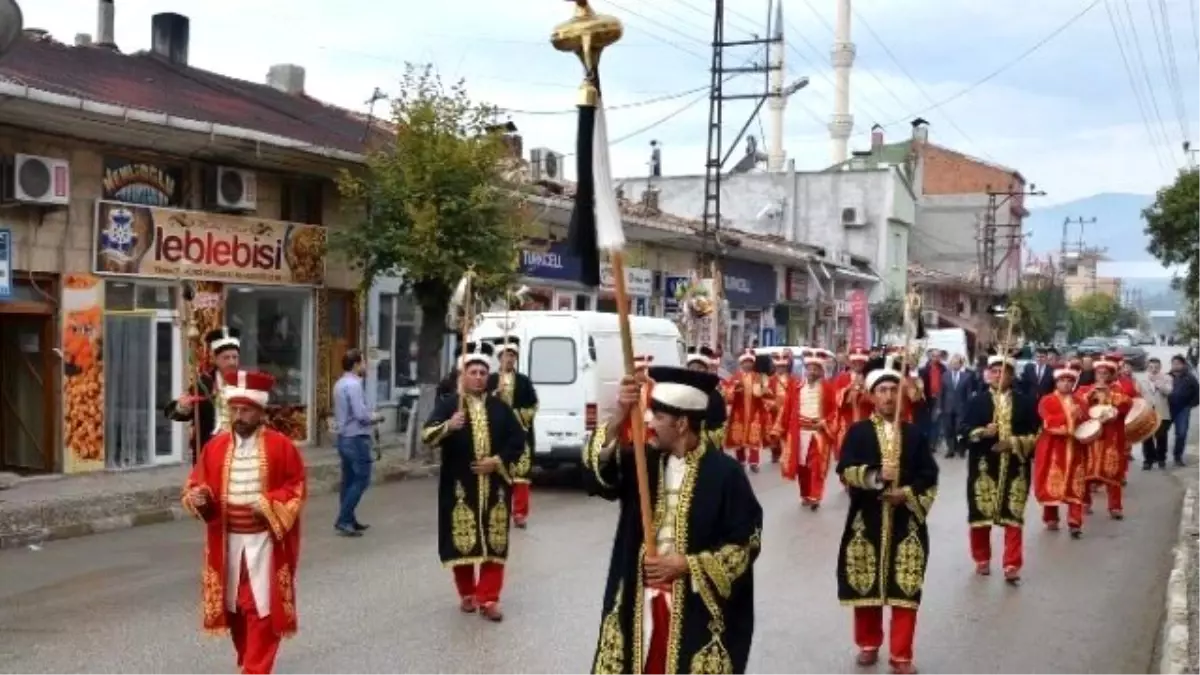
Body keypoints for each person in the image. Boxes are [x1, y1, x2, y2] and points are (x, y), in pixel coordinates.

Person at [581, 365, 763, 675]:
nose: (650, 425)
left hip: (695, 606)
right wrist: (620, 414)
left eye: (659, 418)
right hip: (639, 599)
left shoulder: (726, 475)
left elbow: (746, 544)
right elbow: (596, 474)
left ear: (681, 424)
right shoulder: (643, 461)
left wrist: (687, 565)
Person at [181, 370, 307, 675]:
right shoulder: (215, 447)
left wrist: (267, 504)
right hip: (227, 544)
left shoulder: (281, 446)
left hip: (265, 544)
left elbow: (297, 487)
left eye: (245, 410)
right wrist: (199, 498)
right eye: (234, 409)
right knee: (235, 609)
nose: (239, 416)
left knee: (261, 609)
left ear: (260, 412)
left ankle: (255, 669)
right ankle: (249, 661)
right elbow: (196, 485)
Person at [835, 364, 938, 675]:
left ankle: (901, 655)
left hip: (906, 522)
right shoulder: (858, 432)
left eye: (894, 389)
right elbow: (844, 471)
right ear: (872, 396)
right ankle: (868, 644)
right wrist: (876, 476)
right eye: (883, 390)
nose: (889, 395)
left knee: (905, 589)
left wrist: (906, 493)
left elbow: (929, 476)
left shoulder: (914, 434)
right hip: (866, 520)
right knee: (865, 583)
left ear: (902, 395)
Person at [421, 341, 525, 622]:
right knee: (463, 542)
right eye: (473, 372)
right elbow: (427, 435)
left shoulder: (500, 407)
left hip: (495, 486)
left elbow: (518, 441)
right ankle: (467, 593)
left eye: (482, 372)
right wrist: (448, 426)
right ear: (462, 376)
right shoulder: (448, 406)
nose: (478, 376)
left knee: (495, 542)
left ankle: (489, 598)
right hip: (460, 486)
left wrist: (497, 461)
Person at [961, 355, 1039, 583]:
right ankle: (982, 559)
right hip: (984, 466)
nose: (997, 375)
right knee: (980, 515)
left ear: (1011, 376)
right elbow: (963, 430)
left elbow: (1037, 434)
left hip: (1016, 466)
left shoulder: (1025, 402)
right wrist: (982, 432)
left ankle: (1012, 564)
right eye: (994, 371)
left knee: (1014, 515)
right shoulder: (977, 401)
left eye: (1002, 371)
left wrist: (1013, 443)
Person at [166, 326, 241, 465]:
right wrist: (182, 407)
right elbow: (173, 413)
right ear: (216, 359)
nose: (231, 362)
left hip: (240, 451)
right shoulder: (203, 384)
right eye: (226, 357)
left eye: (235, 357)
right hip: (209, 449)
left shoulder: (246, 382)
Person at [488, 338, 540, 529]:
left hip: (521, 435)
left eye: (512, 356)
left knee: (521, 478)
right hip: (496, 435)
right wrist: (495, 396)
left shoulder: (524, 381)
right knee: (497, 476)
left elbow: (533, 406)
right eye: (505, 356)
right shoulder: (491, 380)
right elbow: (481, 404)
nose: (508, 360)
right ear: (499, 358)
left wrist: (516, 417)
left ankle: (520, 514)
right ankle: (497, 512)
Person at [1033, 367, 1090, 538]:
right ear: (1056, 383)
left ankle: (1075, 522)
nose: (1066, 384)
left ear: (1073, 383)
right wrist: (1068, 416)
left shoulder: (1081, 401)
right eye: (1062, 381)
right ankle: (1051, 517)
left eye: (1069, 381)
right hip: (1053, 448)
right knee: (1052, 482)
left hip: (1075, 448)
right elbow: (1048, 421)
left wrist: (1081, 417)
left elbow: (1087, 423)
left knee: (1076, 483)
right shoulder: (1047, 400)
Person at [1076, 356, 1132, 519]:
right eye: (1098, 373)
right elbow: (1078, 407)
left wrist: (1109, 395)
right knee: (1085, 471)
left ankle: (1115, 506)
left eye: (1105, 373)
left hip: (1111, 437)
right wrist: (1089, 397)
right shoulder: (1085, 390)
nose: (1101, 376)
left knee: (1113, 471)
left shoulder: (1118, 391)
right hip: (1090, 438)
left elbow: (1126, 405)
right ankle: (1085, 502)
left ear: (1111, 375)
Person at [781, 350, 836, 510]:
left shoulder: (827, 388)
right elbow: (787, 408)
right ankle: (805, 494)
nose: (812, 371)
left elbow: (835, 411)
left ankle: (815, 496)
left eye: (816, 368)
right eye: (810, 368)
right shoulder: (796, 386)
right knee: (802, 466)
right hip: (799, 432)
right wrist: (780, 429)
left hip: (819, 432)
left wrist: (825, 422)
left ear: (821, 370)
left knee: (817, 466)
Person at [333, 349, 376, 537]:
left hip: (344, 437)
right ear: (357, 364)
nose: (366, 366)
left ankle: (348, 518)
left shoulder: (339, 383)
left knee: (349, 480)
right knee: (361, 479)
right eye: (364, 362)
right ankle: (343, 519)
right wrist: (375, 417)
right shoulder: (354, 385)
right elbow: (360, 415)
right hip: (356, 437)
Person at [723, 348, 771, 472]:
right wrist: (734, 389)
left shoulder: (758, 377)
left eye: (750, 362)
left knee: (754, 438)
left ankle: (754, 462)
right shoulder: (735, 377)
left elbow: (765, 393)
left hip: (754, 412)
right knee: (738, 438)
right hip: (739, 412)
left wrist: (763, 390)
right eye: (745, 362)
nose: (748, 364)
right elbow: (728, 395)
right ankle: (741, 461)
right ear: (741, 363)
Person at [833, 348, 873, 455]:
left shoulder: (872, 378)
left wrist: (864, 390)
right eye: (855, 362)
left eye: (861, 362)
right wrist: (850, 388)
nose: (858, 365)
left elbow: (876, 400)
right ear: (850, 362)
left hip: (867, 422)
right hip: (846, 424)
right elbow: (836, 400)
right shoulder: (842, 377)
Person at [686, 346, 728, 448]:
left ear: (706, 371)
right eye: (692, 368)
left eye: (700, 368)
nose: (696, 371)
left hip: (710, 442)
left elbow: (721, 421)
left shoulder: (715, 395)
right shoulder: (683, 392)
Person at [1137, 357, 1172, 470]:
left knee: (1161, 437)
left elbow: (1169, 391)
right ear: (1148, 367)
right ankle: (1148, 460)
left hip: (1162, 412)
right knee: (1147, 437)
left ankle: (1161, 458)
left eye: (1156, 367)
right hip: (1147, 413)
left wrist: (1158, 383)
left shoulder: (1167, 378)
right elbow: (1138, 395)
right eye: (1151, 367)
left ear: (1160, 367)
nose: (1154, 369)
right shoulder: (1141, 379)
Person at [939, 354, 976, 459]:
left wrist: (969, 408)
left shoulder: (966, 376)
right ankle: (950, 449)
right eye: (953, 363)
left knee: (959, 429)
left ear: (960, 364)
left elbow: (969, 394)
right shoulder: (945, 375)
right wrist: (940, 406)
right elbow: (942, 392)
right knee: (948, 429)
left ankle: (961, 448)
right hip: (948, 407)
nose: (955, 365)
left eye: (957, 363)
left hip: (961, 407)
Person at [765, 349, 797, 465]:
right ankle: (775, 452)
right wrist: (771, 404)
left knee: (787, 433)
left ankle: (787, 453)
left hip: (788, 410)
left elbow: (796, 394)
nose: (781, 369)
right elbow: (766, 396)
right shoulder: (770, 380)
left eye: (783, 367)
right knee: (774, 434)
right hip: (774, 410)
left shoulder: (793, 380)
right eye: (779, 367)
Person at [1168, 355, 1198, 467]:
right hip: (1168, 409)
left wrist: (1190, 405)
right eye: (1174, 363)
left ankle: (1178, 456)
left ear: (1183, 364)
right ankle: (1160, 456)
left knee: (1181, 433)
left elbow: (1198, 392)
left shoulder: (1190, 378)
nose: (1176, 365)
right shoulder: (1167, 376)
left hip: (1183, 409)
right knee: (1160, 432)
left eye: (1178, 363)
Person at [919, 349, 946, 452]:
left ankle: (933, 444)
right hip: (927, 398)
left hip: (938, 398)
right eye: (934, 356)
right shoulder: (923, 370)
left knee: (936, 422)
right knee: (927, 421)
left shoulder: (943, 369)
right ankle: (926, 442)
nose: (936, 358)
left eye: (938, 356)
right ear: (930, 357)